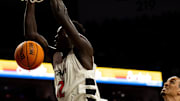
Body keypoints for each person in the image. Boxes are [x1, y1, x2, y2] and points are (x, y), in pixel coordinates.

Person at [24, 0, 106, 101]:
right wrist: (30, 3)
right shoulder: (56, 56)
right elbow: (32, 36)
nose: (55, 37)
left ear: (70, 36)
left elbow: (61, 14)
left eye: (59, 34)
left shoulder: (83, 50)